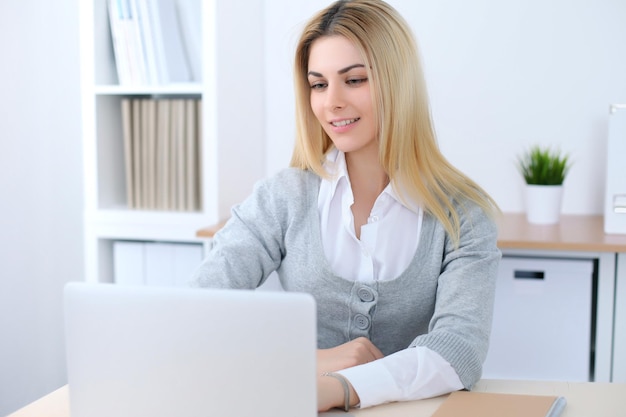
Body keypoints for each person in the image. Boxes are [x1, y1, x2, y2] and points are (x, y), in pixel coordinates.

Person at [191, 0, 501, 412]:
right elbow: (197, 314)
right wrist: (314, 363)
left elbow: (458, 351)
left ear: (397, 83)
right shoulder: (282, 198)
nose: (331, 102)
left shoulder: (463, 215)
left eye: (354, 80)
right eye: (318, 84)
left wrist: (338, 387)